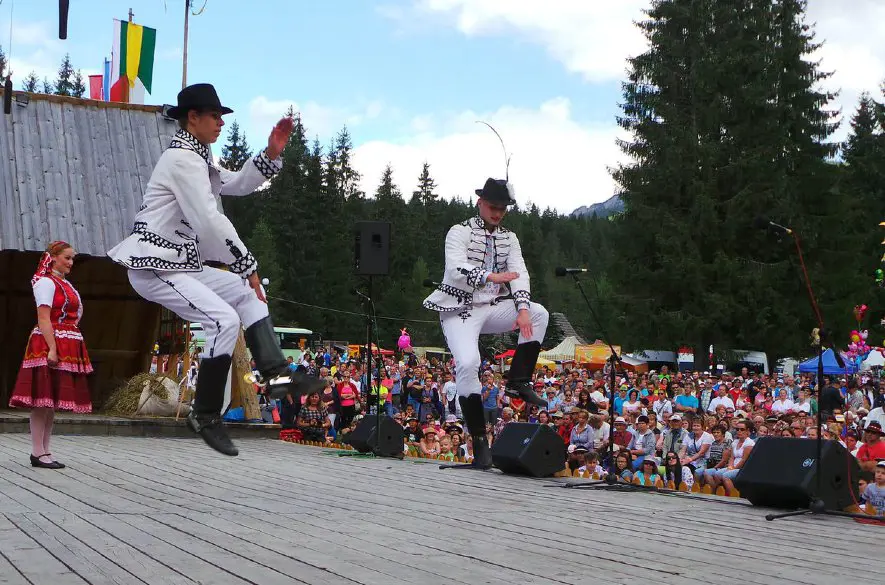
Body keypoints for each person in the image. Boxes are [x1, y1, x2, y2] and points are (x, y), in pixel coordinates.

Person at [107, 84, 322, 456]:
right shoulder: (181, 160)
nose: (221, 123)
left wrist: (270, 155)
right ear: (193, 118)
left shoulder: (197, 158)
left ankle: (277, 374)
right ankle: (205, 415)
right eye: (215, 116)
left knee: (247, 295)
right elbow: (209, 221)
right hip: (154, 265)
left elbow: (235, 183)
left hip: (177, 264)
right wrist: (247, 263)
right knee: (223, 319)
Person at [422, 177, 549, 468]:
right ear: (480, 202)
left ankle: (518, 380)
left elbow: (520, 272)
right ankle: (479, 441)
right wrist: (490, 276)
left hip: (491, 308)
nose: (498, 213)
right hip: (460, 309)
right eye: (493, 206)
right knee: (468, 363)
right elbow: (454, 268)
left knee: (539, 314)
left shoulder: (510, 238)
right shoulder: (459, 232)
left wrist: (522, 307)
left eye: (503, 208)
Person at [9, 242, 93, 469]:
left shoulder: (65, 284)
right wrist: (53, 348)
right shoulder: (45, 282)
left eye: (72, 258)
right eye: (67, 258)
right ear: (53, 257)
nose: (71, 262)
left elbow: (76, 314)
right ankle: (37, 451)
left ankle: (45, 450)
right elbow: (44, 318)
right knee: (41, 400)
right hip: (48, 342)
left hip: (65, 341)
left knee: (51, 401)